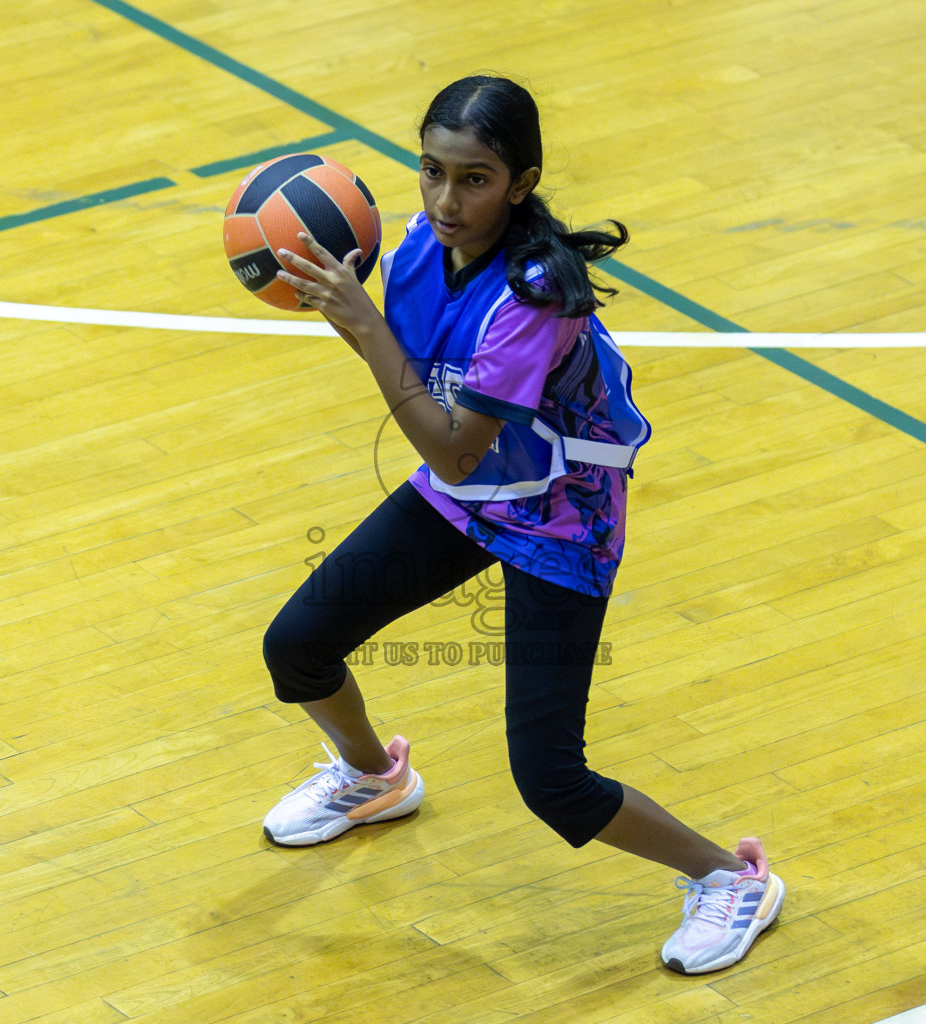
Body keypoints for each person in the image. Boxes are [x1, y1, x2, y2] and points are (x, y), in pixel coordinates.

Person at [260, 74, 783, 975]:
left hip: (558, 524)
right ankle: (374, 776)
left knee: (551, 780)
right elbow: (452, 446)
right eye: (431, 171)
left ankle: (730, 879)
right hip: (468, 495)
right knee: (297, 644)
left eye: (475, 178)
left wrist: (363, 331)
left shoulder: (536, 295)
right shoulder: (422, 245)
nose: (445, 198)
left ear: (522, 182)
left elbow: (456, 446)